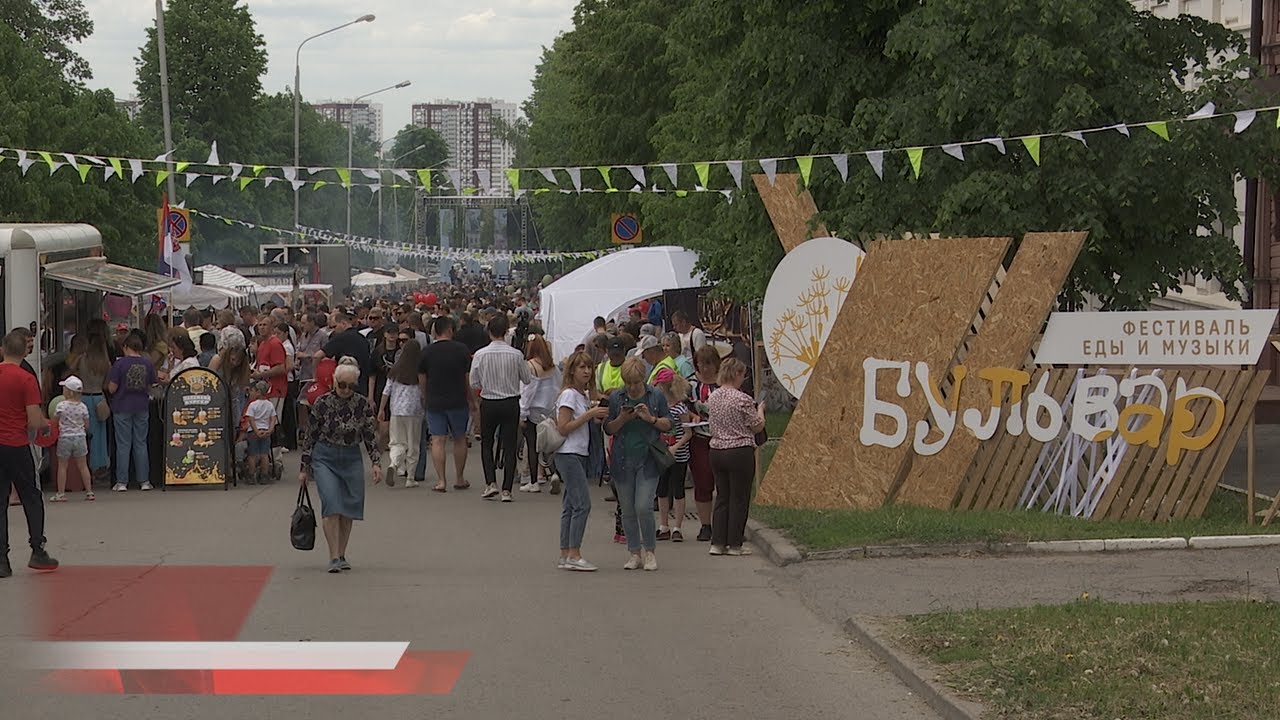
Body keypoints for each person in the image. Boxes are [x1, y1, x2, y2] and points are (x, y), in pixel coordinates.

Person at [299, 357, 383, 573]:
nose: (346, 390)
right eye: (342, 385)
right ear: (334, 382)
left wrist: (376, 462)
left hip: (351, 457)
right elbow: (310, 435)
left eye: (351, 386)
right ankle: (333, 556)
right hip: (325, 456)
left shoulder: (362, 403)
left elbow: (369, 435)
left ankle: (342, 553)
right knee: (331, 504)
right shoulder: (322, 402)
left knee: (348, 508)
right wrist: (304, 468)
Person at [603, 357, 671, 571]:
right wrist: (622, 418)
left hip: (648, 458)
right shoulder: (616, 397)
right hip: (622, 458)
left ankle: (650, 551)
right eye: (628, 383)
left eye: (636, 382)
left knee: (643, 506)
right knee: (628, 509)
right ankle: (634, 552)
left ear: (643, 379)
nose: (632, 387)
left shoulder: (656, 395)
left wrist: (649, 418)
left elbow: (668, 424)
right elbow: (608, 428)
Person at [0, 330, 58, 577]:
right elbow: (34, 420)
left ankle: (2, 559)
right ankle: (37, 549)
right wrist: (49, 424)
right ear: (25, 352)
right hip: (17, 443)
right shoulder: (26, 379)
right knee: (32, 496)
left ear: (3, 348)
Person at [553, 351, 610, 572]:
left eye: (589, 367)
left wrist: (594, 416)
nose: (586, 371)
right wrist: (588, 415)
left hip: (576, 452)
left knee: (570, 504)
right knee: (582, 504)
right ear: (572, 371)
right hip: (569, 453)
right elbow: (563, 427)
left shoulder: (580, 395)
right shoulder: (569, 395)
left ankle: (566, 552)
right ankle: (574, 553)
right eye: (581, 367)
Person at [470, 314, 532, 502]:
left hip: (489, 401)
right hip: (510, 402)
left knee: (487, 444)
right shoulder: (516, 354)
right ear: (506, 332)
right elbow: (527, 379)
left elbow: (474, 382)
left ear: (489, 332)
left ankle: (491, 483)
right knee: (510, 444)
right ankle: (507, 489)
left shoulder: (480, 354)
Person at [707, 358, 765, 556]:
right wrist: (761, 411)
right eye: (742, 375)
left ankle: (717, 542)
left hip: (717, 449)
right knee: (739, 498)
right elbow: (757, 425)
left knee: (722, 496)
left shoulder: (713, 396)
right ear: (737, 375)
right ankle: (735, 543)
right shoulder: (742, 399)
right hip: (739, 449)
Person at [107, 333, 157, 492]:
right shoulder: (148, 363)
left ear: (126, 347)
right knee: (141, 443)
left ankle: (122, 482)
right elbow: (152, 385)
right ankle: (144, 481)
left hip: (122, 406)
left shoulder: (120, 364)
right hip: (142, 406)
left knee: (123, 444)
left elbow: (112, 388)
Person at [687, 344, 724, 541]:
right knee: (702, 482)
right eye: (702, 364)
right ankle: (705, 525)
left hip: (723, 438)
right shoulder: (690, 385)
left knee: (724, 483)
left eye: (709, 363)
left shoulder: (724, 383)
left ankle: (724, 524)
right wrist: (692, 415)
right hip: (699, 438)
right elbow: (680, 406)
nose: (706, 368)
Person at [653, 368, 692, 542]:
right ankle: (663, 525)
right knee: (662, 489)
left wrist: (676, 446)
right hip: (662, 453)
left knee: (678, 489)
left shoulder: (681, 407)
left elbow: (688, 432)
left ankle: (678, 526)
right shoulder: (659, 407)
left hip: (679, 454)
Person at [378, 338, 424, 488]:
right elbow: (423, 392)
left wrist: (381, 409)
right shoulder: (419, 370)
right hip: (414, 411)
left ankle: (394, 463)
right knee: (413, 444)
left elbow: (386, 391)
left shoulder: (395, 370)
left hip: (396, 410)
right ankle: (410, 478)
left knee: (397, 442)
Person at [518, 336, 560, 494]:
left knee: (533, 446)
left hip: (533, 412)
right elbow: (558, 387)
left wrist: (522, 413)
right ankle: (555, 473)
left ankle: (534, 481)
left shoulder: (531, 366)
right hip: (549, 411)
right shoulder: (553, 367)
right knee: (551, 445)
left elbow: (527, 392)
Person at [74, 330, 113, 485]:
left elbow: (71, 371)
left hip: (83, 397)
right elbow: (106, 385)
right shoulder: (106, 363)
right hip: (99, 398)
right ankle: (99, 467)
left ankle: (85, 466)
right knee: (99, 436)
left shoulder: (82, 359)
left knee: (83, 433)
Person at [51, 376, 93, 502]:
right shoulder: (83, 407)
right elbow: (87, 425)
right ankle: (89, 492)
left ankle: (61, 493)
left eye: (64, 388)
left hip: (65, 438)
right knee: (83, 465)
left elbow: (54, 421)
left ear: (69, 392)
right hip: (80, 437)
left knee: (63, 466)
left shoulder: (61, 406)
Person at [323, 311, 374, 402]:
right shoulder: (363, 339)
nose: (334, 330)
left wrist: (315, 375)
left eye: (335, 327)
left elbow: (318, 355)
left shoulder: (340, 338)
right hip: (362, 386)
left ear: (343, 323)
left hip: (343, 386)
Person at [239, 381, 277, 485]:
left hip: (253, 432)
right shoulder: (269, 404)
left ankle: (251, 475)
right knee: (264, 454)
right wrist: (270, 429)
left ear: (258, 392)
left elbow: (251, 419)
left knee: (252, 455)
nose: (251, 393)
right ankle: (264, 475)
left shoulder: (252, 405)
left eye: (253, 391)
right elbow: (273, 418)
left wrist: (256, 430)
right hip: (266, 430)